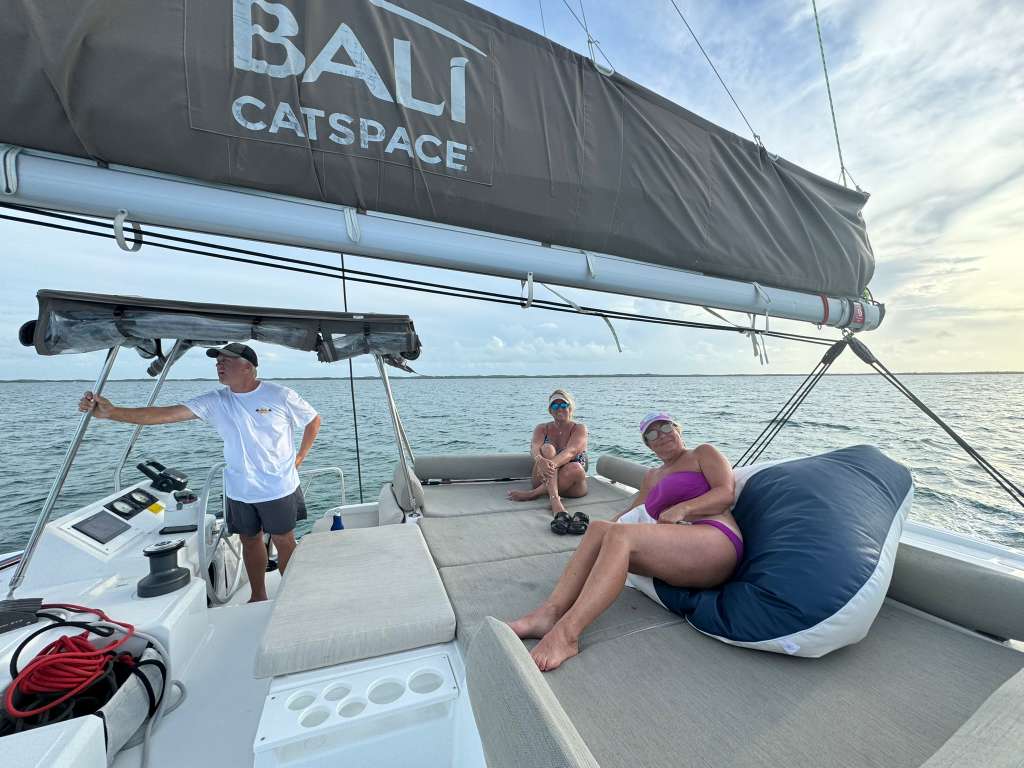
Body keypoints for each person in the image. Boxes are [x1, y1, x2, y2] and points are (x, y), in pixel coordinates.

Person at [78, 342, 321, 602]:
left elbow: (313, 420)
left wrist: (300, 456)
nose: (219, 365)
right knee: (250, 541)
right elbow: (166, 414)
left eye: (226, 360)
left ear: (248, 367)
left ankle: (294, 597)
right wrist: (113, 413)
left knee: (284, 541)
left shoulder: (279, 395)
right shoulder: (217, 401)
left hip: (278, 486)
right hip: (239, 488)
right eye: (217, 361)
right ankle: (259, 595)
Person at [508, 411, 740, 671]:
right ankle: (547, 614)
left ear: (678, 429)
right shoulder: (652, 476)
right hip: (679, 551)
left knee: (619, 535)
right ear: (648, 445)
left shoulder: (702, 454)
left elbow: (725, 493)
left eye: (665, 428)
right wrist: (600, 534)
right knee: (599, 528)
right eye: (652, 434)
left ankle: (566, 635)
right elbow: (630, 514)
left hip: (716, 539)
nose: (661, 436)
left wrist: (684, 509)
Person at [507, 389, 589, 534]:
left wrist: (550, 464)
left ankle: (533, 494)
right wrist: (540, 460)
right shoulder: (542, 428)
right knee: (547, 448)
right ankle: (555, 500)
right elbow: (534, 447)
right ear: (550, 410)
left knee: (576, 468)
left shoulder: (579, 429)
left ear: (570, 407)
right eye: (555, 406)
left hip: (572, 486)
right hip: (541, 478)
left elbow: (571, 451)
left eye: (563, 405)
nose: (559, 409)